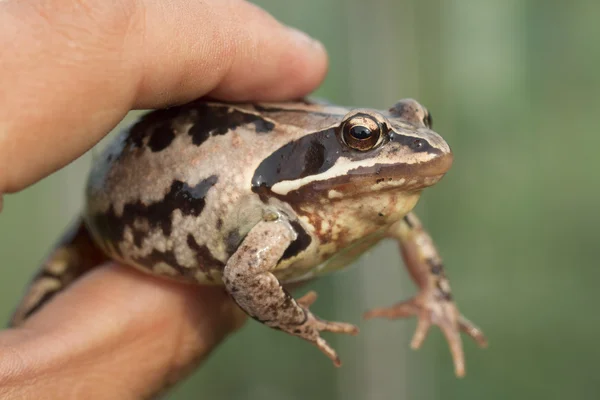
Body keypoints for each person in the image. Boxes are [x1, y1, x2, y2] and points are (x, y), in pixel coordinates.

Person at [0, 0, 327, 397]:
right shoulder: (276, 220)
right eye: (362, 137)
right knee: (34, 311)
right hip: (120, 208)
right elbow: (244, 277)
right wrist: (300, 321)